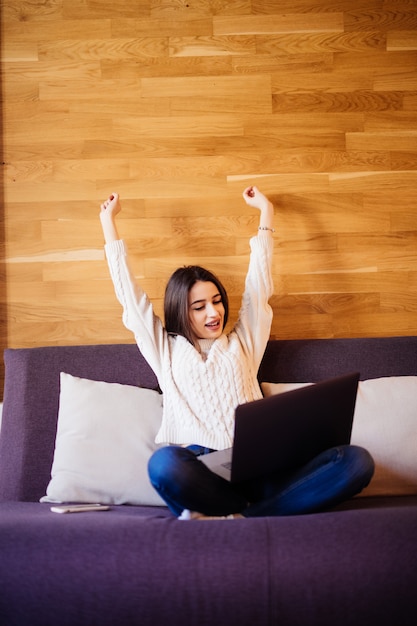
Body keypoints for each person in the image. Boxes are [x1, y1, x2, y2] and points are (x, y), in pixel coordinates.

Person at [100, 187, 374, 520]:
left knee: (355, 460)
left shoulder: (244, 340)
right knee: (163, 464)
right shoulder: (164, 348)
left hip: (262, 466)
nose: (213, 313)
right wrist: (108, 224)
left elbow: (259, 287)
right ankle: (253, 514)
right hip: (204, 473)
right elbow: (130, 298)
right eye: (199, 307)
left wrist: (266, 214)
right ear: (179, 312)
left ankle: (245, 517)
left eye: (216, 301)